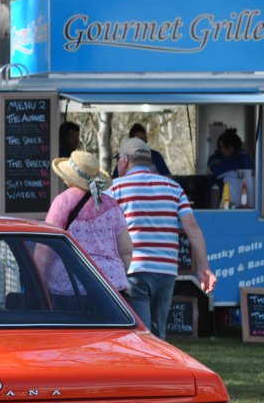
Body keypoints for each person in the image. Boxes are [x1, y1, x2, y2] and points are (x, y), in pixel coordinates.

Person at [108, 137, 216, 338]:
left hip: (134, 270)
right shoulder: (174, 188)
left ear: (123, 161)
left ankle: (149, 369)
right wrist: (204, 268)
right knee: (158, 335)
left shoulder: (115, 189)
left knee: (142, 336)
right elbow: (192, 228)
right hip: (166, 271)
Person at [45, 149, 131, 292]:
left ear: (68, 177)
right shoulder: (112, 206)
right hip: (110, 289)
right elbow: (126, 251)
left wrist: (38, 282)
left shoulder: (62, 202)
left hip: (69, 285)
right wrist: (117, 276)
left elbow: (45, 249)